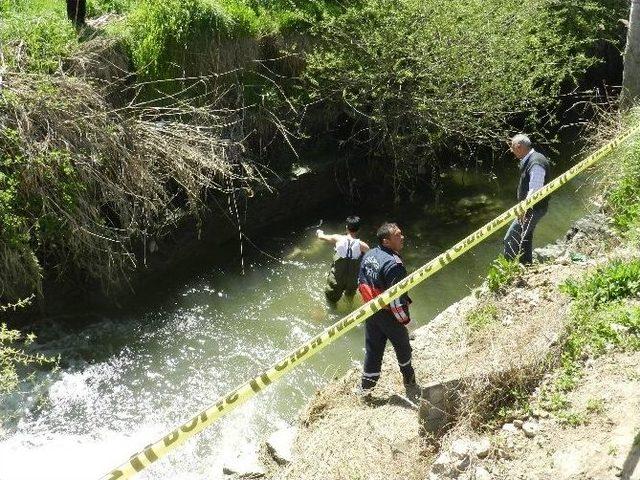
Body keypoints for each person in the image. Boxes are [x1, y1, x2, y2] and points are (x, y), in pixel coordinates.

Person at [357, 222, 417, 396]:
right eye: (397, 235)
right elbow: (396, 302)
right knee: (403, 347)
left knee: (373, 351)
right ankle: (409, 381)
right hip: (390, 317)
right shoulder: (394, 265)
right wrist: (406, 322)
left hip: (371, 311)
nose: (402, 237)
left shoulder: (369, 255)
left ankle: (365, 390)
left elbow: (361, 283)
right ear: (386, 242)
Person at [503, 134, 551, 265]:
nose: (511, 151)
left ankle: (509, 270)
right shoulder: (531, 160)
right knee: (525, 237)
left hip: (532, 209)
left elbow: (535, 190)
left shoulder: (536, 162)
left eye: (512, 148)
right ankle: (527, 265)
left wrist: (525, 209)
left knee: (510, 238)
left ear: (519, 147)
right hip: (531, 208)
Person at [316, 216, 370, 305]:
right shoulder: (363, 246)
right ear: (359, 229)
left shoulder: (337, 238)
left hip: (337, 279)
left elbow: (321, 237)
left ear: (346, 227)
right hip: (352, 281)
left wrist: (319, 232)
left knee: (331, 301)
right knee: (349, 299)